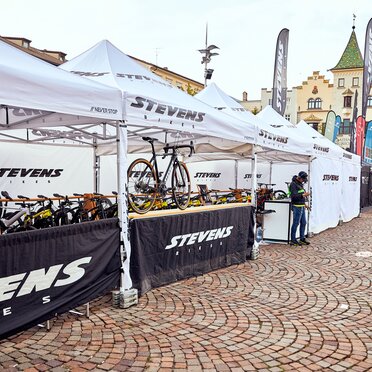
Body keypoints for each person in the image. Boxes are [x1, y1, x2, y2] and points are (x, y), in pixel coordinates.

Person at [289, 171, 311, 246]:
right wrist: (304, 195)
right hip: (297, 207)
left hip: (301, 206)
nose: (304, 181)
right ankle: (293, 239)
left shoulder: (300, 184)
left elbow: (300, 194)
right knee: (296, 223)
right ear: (299, 178)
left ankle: (302, 238)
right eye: (303, 179)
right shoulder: (293, 184)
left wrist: (305, 205)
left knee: (304, 222)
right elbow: (294, 197)